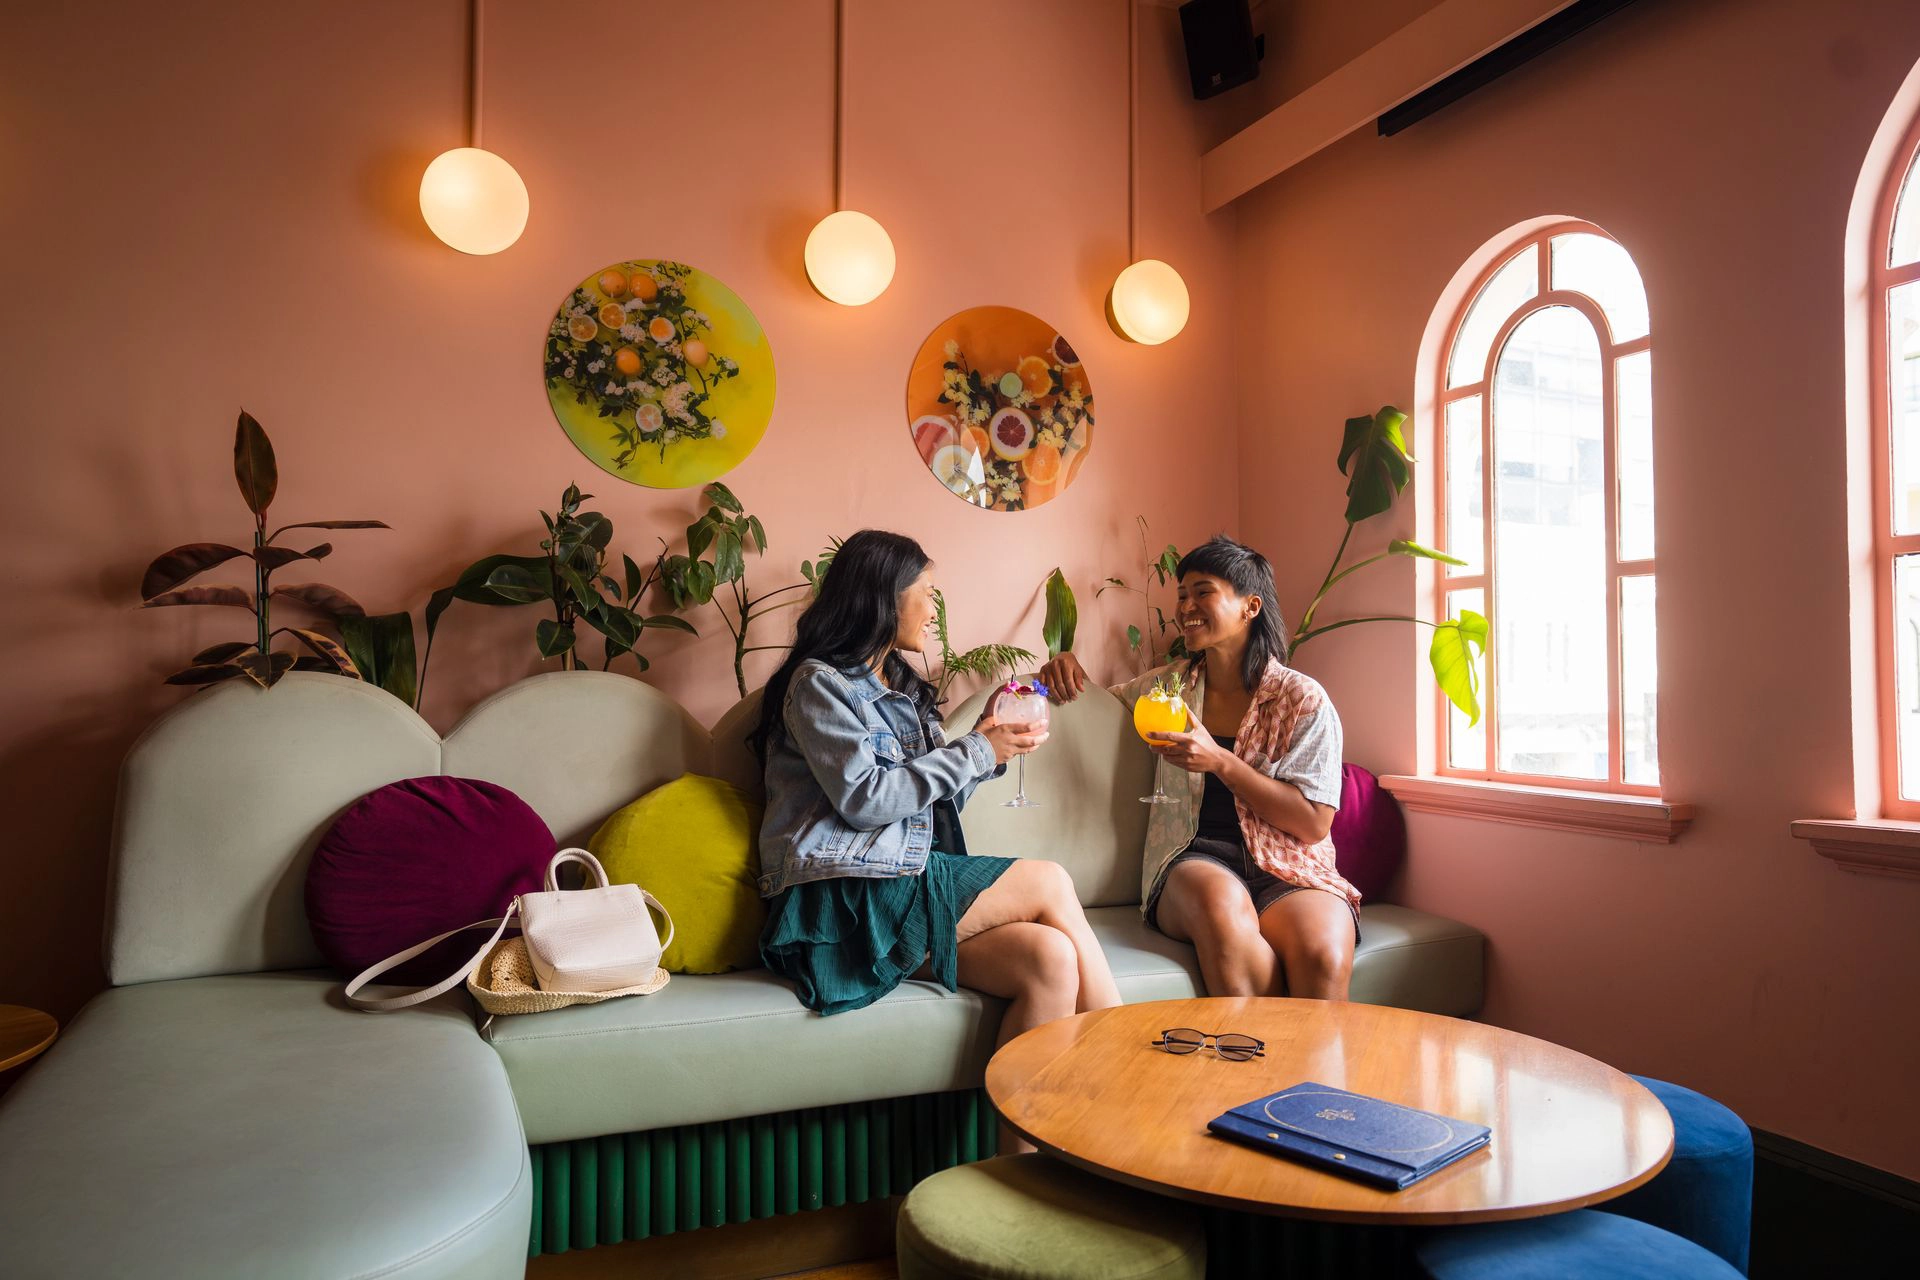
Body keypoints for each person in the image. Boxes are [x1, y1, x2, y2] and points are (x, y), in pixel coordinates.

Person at [751, 529, 1122, 1054]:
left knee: (1050, 961)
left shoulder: (900, 689)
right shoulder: (820, 684)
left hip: (894, 884)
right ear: (884, 595)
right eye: (926, 592)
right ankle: (1133, 1055)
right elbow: (865, 801)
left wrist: (989, 752)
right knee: (1051, 882)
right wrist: (974, 751)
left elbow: (920, 808)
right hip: (844, 898)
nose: (934, 610)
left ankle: (1020, 1140)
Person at [1039, 535, 1359, 1000]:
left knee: (1322, 955)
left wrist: (1221, 762)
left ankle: (1308, 1073)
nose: (1186, 606)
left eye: (1203, 592)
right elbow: (1092, 708)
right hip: (1194, 858)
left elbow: (1312, 824)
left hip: (1289, 868)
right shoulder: (1166, 688)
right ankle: (1254, 1070)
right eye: (1182, 595)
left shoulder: (1301, 700)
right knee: (1220, 909)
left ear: (1250, 607)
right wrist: (1062, 666)